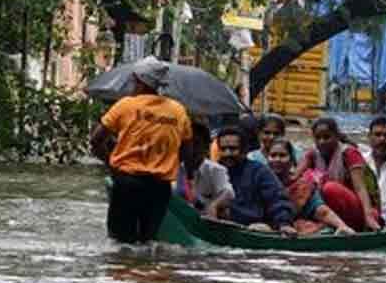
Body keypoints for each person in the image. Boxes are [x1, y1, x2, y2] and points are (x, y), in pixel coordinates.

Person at [89, 56, 191, 243]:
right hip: (160, 188)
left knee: (119, 241)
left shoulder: (125, 105)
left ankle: (122, 270)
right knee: (148, 240)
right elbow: (186, 149)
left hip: (126, 182)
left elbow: (96, 140)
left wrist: (111, 163)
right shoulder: (178, 111)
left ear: (139, 80)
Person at [298, 117, 382, 232]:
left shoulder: (349, 153)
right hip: (329, 210)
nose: (322, 141)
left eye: (327, 137)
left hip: (361, 210)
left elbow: (360, 188)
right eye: (318, 138)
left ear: (336, 136)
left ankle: (337, 225)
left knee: (329, 188)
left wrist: (368, 217)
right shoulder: (312, 154)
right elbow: (295, 176)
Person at [215, 126, 297, 235]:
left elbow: (277, 199)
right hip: (220, 225)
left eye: (233, 149)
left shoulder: (259, 171)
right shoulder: (214, 171)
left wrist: (284, 224)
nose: (227, 153)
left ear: (244, 150)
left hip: (253, 228)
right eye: (223, 149)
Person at [266, 139, 354, 235]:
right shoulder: (259, 181)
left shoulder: (302, 186)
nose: (277, 159)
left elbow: (322, 211)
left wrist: (342, 226)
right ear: (267, 159)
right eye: (273, 155)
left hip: (295, 229)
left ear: (291, 161)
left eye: (282, 156)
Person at [177, 119, 234, 218]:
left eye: (197, 144)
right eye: (188, 144)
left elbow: (228, 192)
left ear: (206, 148)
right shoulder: (174, 170)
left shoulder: (215, 170)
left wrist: (214, 205)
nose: (192, 150)